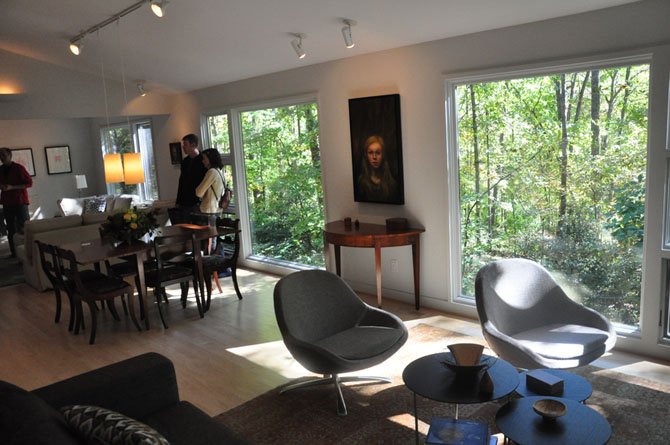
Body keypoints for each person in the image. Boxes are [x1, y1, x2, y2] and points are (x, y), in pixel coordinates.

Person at [0, 147, 33, 257]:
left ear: (10, 156)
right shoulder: (0, 169)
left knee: (24, 228)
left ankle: (29, 252)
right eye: (0, 156)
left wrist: (12, 187)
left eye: (4, 155)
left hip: (20, 202)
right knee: (10, 229)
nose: (1, 158)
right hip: (7, 202)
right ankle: (14, 253)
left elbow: (29, 183)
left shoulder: (19, 168)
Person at [173, 133, 207, 224]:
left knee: (200, 229)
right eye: (183, 145)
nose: (183, 147)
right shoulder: (185, 161)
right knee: (185, 228)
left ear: (194, 145)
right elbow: (182, 181)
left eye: (185, 145)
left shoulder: (203, 160)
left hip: (198, 201)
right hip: (185, 201)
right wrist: (178, 201)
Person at [356, 135, 398, 203]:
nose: (374, 157)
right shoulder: (361, 182)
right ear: (366, 155)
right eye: (370, 152)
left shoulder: (391, 184)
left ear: (383, 155)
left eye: (378, 153)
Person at [194, 149, 226, 227]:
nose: (203, 161)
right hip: (217, 208)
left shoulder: (211, 172)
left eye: (204, 158)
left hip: (209, 210)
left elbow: (198, 192)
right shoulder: (219, 171)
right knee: (214, 236)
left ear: (210, 159)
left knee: (209, 237)